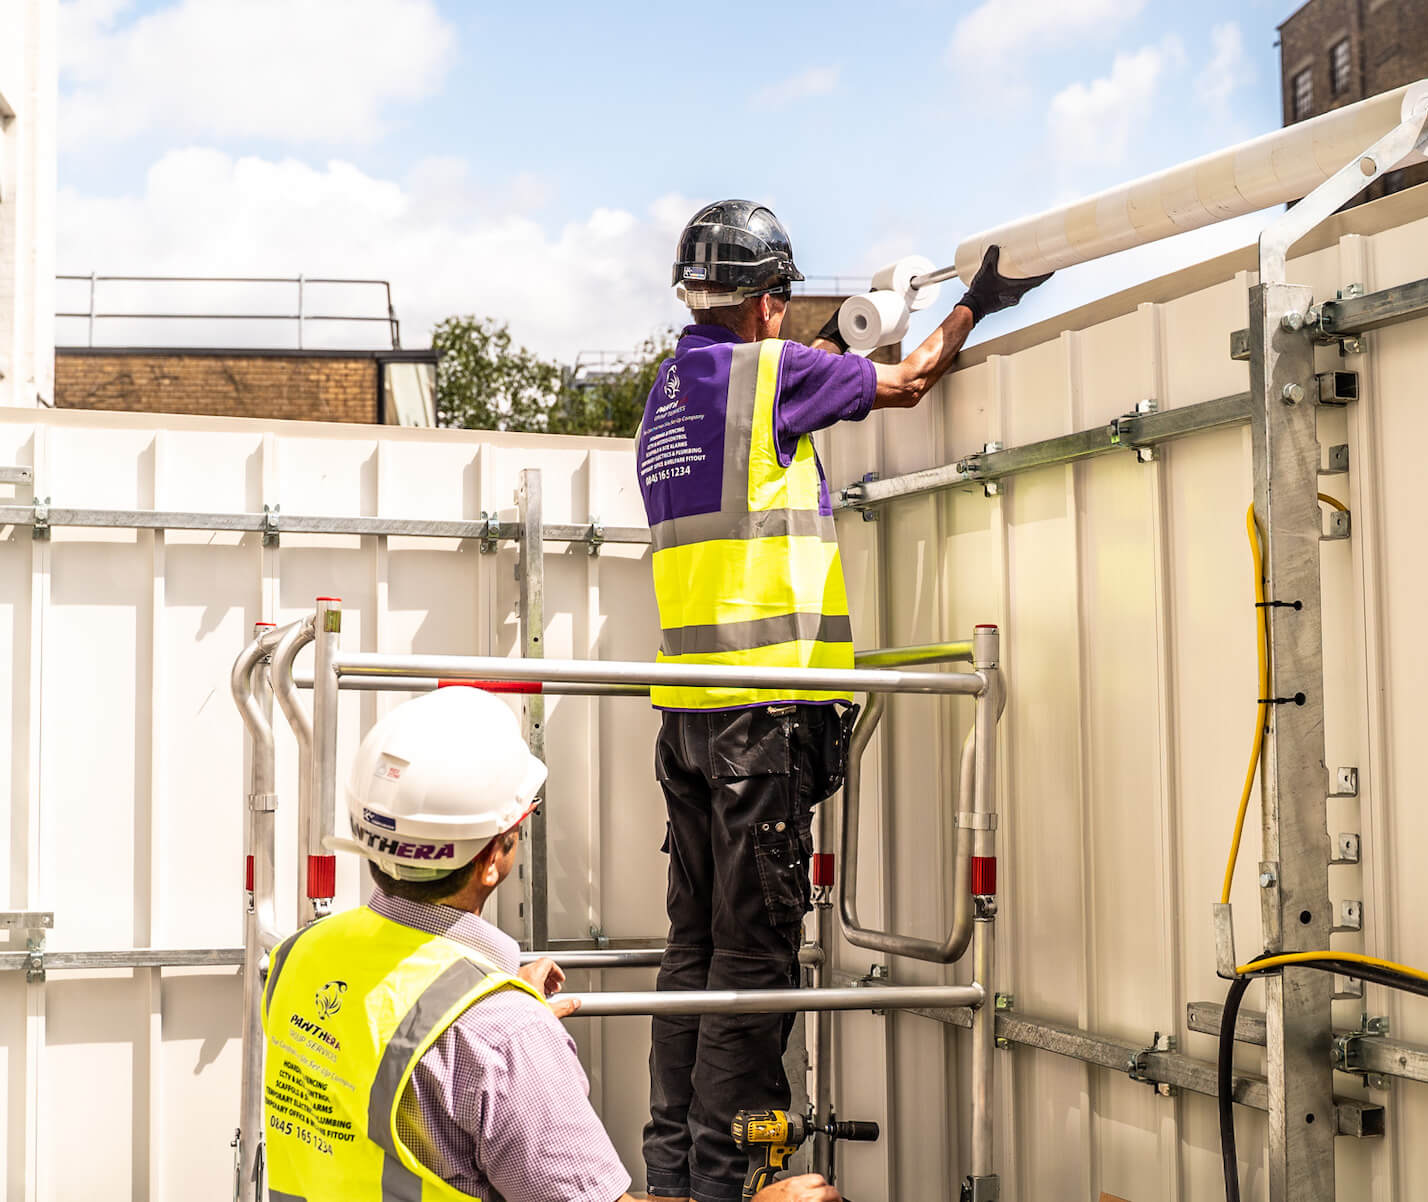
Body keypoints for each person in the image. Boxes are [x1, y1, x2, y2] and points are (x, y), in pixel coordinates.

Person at [634, 199, 1050, 1202]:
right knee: (759, 952)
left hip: (686, 714)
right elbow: (904, 381)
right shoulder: (773, 374)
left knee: (696, 951)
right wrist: (973, 306)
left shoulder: (675, 388)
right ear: (771, 298)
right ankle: (738, 1176)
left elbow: (811, 371)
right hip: (758, 714)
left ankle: (676, 1170)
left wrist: (856, 321)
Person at [260, 685, 838, 1202]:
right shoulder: (505, 1036)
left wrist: (492, 1003)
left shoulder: (301, 955)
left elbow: (394, 1057)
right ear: (493, 861)